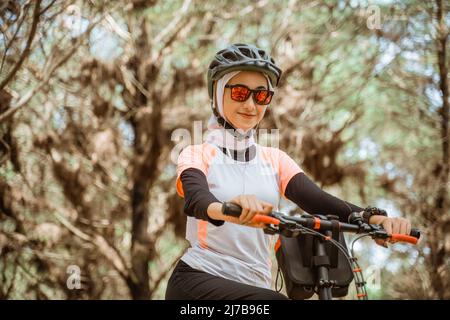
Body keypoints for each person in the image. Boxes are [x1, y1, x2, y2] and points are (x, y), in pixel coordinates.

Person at [165, 43, 412, 300]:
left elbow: (319, 200)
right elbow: (197, 200)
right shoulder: (196, 153)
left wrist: (375, 220)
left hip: (256, 284)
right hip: (198, 281)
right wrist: (229, 209)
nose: (251, 104)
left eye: (261, 96)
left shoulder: (275, 159)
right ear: (217, 95)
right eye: (239, 92)